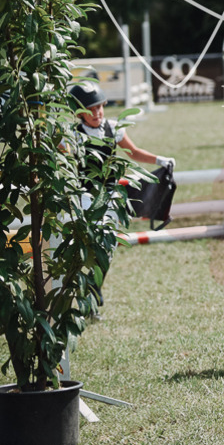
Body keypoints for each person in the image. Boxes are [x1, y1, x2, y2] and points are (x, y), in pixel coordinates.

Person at [70, 80, 175, 313]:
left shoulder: (114, 128)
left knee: (108, 248)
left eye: (99, 107)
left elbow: (134, 152)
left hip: (108, 197)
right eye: (91, 109)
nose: (97, 113)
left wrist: (160, 160)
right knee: (93, 246)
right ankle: (83, 291)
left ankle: (93, 288)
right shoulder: (73, 135)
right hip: (85, 197)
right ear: (79, 112)